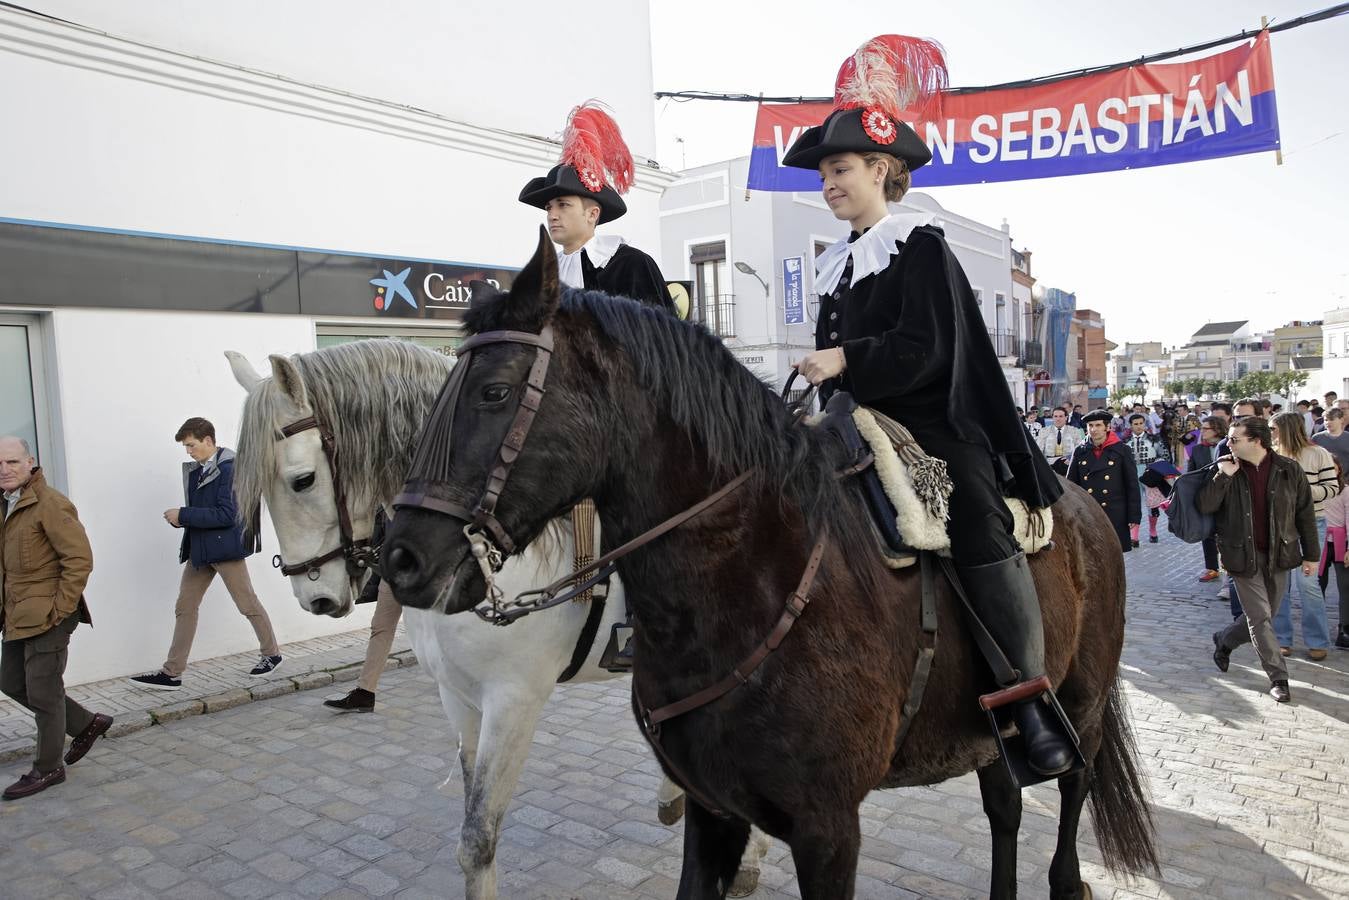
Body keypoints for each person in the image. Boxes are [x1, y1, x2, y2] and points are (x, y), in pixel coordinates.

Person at [786, 34, 1072, 777]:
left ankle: (1025, 700)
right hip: (852, 422)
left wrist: (847, 358)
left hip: (936, 422)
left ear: (881, 168)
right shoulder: (839, 263)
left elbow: (927, 349)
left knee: (975, 510)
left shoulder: (921, 246)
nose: (828, 183)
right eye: (822, 172)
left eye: (839, 168)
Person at [129, 418, 281, 690]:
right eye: (186, 446)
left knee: (247, 603)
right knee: (185, 606)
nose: (188, 451)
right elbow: (206, 511)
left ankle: (272, 654)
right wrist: (182, 520)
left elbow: (227, 514)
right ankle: (172, 672)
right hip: (201, 549)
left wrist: (183, 515)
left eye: (191, 445)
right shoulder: (200, 469)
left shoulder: (231, 468)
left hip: (224, 548)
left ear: (208, 441)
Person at [0, 436, 112, 800]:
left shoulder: (50, 504)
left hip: (49, 615)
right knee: (11, 681)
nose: (5, 470)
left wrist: (58, 610)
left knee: (44, 692)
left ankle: (48, 768)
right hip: (17, 614)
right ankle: (85, 723)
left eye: (13, 462)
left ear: (30, 462)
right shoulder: (7, 505)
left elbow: (79, 560)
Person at [518, 102, 673, 313]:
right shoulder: (544, 275)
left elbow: (661, 336)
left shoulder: (630, 265)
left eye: (563, 205)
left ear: (592, 214)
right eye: (548, 207)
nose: (552, 215)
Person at [1204, 417, 1318, 704]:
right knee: (1260, 617)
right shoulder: (1227, 468)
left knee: (1264, 616)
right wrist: (1223, 476)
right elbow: (1205, 505)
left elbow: (1304, 515)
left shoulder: (1289, 470)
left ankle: (1226, 639)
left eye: (1234, 439)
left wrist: (1312, 556)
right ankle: (1278, 678)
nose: (1227, 444)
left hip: (1280, 554)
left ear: (1256, 441)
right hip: (1241, 556)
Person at [1269, 412, 1336, 660]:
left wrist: (1300, 491)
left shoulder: (1318, 453)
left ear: (1286, 429)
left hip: (1312, 523)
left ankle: (1318, 641)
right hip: (1279, 526)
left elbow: (1332, 488)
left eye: (1273, 428)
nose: (1270, 432)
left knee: (1308, 585)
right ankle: (1282, 638)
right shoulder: (1271, 455)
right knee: (1279, 585)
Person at [324, 511, 395, 712]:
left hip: (422, 571)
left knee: (433, 630)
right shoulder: (386, 497)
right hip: (391, 571)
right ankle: (365, 693)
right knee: (380, 628)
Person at [1068, 411, 1139, 553]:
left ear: (1107, 427)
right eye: (1090, 425)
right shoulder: (1080, 451)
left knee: (1113, 555)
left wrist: (1134, 516)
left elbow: (1132, 485)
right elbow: (1071, 485)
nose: (1093, 429)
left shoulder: (1122, 450)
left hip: (1114, 512)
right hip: (1087, 512)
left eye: (1098, 425)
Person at [1316, 460, 1349, 649]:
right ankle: (1318, 628)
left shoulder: (1345, 492)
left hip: (1340, 542)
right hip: (1319, 541)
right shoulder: (1316, 490)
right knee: (1316, 586)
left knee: (1345, 587)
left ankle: (1344, 628)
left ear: (1339, 469)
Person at [1191, 416, 1227, 582]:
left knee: (1226, 533)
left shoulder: (1228, 446)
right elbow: (1191, 473)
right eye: (1202, 428)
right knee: (1207, 533)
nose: (1202, 431)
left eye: (1206, 429)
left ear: (1217, 430)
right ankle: (1212, 567)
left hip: (1226, 496)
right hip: (1206, 497)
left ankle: (1228, 567)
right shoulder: (1198, 449)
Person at [1124, 414, 1164, 547]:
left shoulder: (1154, 439)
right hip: (1131, 473)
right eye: (1135, 424)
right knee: (1133, 504)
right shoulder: (1124, 440)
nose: (1139, 426)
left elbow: (1163, 456)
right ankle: (1134, 536)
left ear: (1144, 424)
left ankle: (1153, 530)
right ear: (1130, 426)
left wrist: (1160, 472)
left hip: (1150, 472)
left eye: (1141, 423)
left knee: (1152, 504)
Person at [1036, 407, 1083, 476]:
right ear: (1052, 417)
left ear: (1066, 417)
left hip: (1069, 465)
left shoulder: (1074, 431)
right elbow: (1038, 451)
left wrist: (1071, 458)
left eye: (1061, 416)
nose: (1058, 419)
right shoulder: (1044, 431)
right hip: (1049, 466)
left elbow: (1080, 449)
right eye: (1055, 416)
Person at [1313, 407, 1349, 475]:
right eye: (1326, 420)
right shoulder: (1317, 438)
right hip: (1323, 479)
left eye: (1332, 419)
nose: (1328, 422)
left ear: (1341, 420)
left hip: (1346, 480)